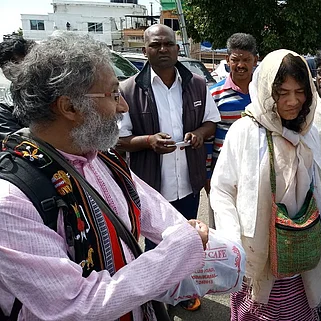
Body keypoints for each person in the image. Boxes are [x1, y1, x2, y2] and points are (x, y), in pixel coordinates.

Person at [0, 32, 208, 320]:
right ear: (69, 107)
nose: (123, 106)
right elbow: (76, 305)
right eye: (113, 94)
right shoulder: (12, 203)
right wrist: (181, 250)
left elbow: (152, 208)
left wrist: (184, 234)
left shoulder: (100, 156)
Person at [210, 49, 321, 321]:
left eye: (300, 91)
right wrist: (234, 243)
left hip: (301, 248)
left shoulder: (308, 130)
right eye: (282, 92)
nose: (293, 101)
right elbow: (223, 189)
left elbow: (317, 188)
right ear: (267, 90)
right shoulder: (246, 131)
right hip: (259, 251)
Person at [118, 24, 220, 311]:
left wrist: (200, 133)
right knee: (155, 246)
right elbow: (119, 140)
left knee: (187, 241)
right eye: (155, 45)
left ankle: (182, 291)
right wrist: (148, 141)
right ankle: (156, 296)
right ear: (145, 50)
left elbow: (212, 121)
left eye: (168, 44)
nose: (162, 49)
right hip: (151, 187)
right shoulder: (128, 89)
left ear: (177, 49)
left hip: (188, 182)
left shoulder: (197, 83)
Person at [205, 33, 257, 228]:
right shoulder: (214, 94)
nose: (241, 65)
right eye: (235, 60)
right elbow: (208, 138)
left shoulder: (264, 94)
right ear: (227, 60)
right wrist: (208, 177)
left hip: (256, 171)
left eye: (246, 60)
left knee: (253, 227)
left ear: (255, 60)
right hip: (222, 171)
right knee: (223, 228)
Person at [0, 37, 35, 137]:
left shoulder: (55, 87)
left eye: (16, 62)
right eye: (5, 66)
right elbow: (14, 140)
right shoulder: (6, 106)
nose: (11, 69)